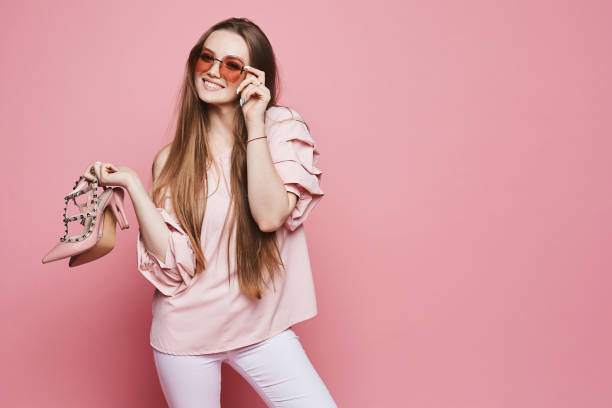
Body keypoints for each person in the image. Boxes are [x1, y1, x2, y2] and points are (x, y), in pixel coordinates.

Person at [81, 17, 337, 408]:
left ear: (253, 76)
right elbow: (172, 263)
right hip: (186, 336)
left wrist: (254, 121)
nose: (214, 71)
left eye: (231, 64)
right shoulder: (171, 159)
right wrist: (134, 186)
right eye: (207, 58)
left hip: (260, 327)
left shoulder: (281, 127)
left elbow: (270, 216)